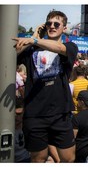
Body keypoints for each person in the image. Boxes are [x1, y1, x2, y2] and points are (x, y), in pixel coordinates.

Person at [13, 10, 78, 162]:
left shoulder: (70, 46)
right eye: (49, 23)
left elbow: (60, 49)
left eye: (57, 24)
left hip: (60, 113)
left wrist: (35, 41)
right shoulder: (32, 48)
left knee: (68, 158)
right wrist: (34, 35)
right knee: (38, 158)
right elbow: (14, 55)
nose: (52, 26)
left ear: (64, 27)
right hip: (35, 114)